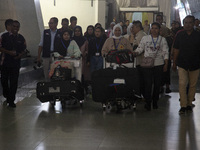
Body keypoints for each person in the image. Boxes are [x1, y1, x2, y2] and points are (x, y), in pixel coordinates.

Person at [133, 22, 169, 111]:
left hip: (159, 64)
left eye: (156, 28)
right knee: (147, 84)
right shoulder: (145, 38)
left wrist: (166, 64)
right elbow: (140, 48)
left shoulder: (162, 40)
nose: (154, 30)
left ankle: (155, 101)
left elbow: (165, 52)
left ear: (159, 30)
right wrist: (135, 52)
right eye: (152, 28)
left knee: (157, 84)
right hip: (147, 64)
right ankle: (148, 102)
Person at [172, 15, 200, 114]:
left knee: (192, 85)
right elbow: (176, 50)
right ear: (183, 24)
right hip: (182, 63)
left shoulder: (198, 35)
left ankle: (189, 104)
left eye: (190, 23)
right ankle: (183, 105)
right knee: (182, 84)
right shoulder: (180, 35)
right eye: (186, 23)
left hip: (195, 64)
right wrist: (174, 63)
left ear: (193, 24)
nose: (188, 25)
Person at [0, 20, 27, 108]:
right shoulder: (4, 36)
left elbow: (24, 49)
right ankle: (6, 93)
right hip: (5, 62)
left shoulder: (21, 38)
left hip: (15, 63)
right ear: (10, 27)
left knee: (14, 82)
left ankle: (11, 101)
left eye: (17, 27)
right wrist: (9, 52)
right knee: (4, 80)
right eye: (14, 26)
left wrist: (19, 55)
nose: (15, 28)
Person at [131, 21, 146, 97]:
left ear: (138, 27)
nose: (132, 29)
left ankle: (141, 94)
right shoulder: (138, 35)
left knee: (141, 79)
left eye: (133, 27)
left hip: (141, 61)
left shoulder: (141, 36)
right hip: (138, 61)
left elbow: (140, 48)